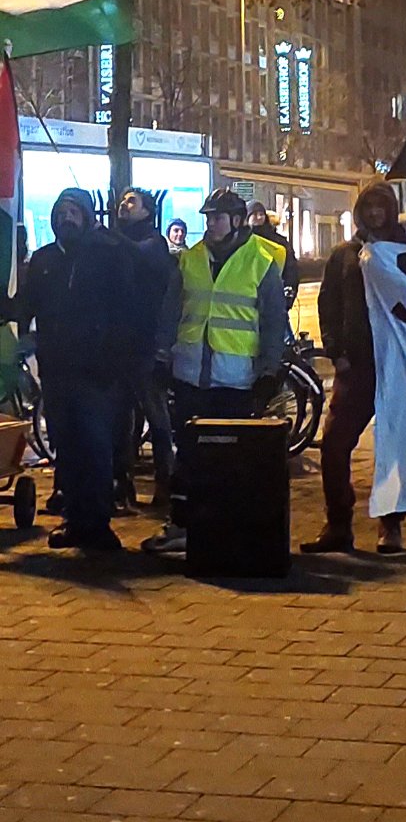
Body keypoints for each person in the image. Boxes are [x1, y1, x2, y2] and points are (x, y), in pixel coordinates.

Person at [144, 189, 287, 552]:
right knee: (187, 456)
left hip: (236, 381)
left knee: (229, 461)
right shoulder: (190, 259)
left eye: (217, 217)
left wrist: (269, 372)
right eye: (207, 217)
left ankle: (223, 529)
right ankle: (181, 525)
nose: (210, 224)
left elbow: (273, 322)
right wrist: (162, 357)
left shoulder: (261, 261)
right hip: (190, 376)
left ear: (237, 221)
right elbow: (171, 312)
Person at [302, 182, 406, 557]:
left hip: (397, 364)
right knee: (334, 444)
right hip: (357, 364)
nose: (374, 213)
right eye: (368, 207)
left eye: (380, 206)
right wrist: (336, 351)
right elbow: (329, 304)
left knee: (395, 445)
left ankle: (391, 524)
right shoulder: (345, 255)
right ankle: (338, 523)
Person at [20, 188, 135, 551]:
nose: (66, 218)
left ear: (86, 217)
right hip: (56, 371)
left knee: (96, 448)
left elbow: (126, 311)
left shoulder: (107, 255)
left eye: (73, 212)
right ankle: (74, 518)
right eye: (61, 212)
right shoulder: (44, 260)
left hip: (95, 372)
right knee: (66, 448)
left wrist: (114, 360)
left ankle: (97, 524)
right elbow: (26, 306)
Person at [113, 187, 178, 510]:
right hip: (120, 344)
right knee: (121, 418)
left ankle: (165, 480)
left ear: (147, 211)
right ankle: (122, 483)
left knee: (156, 416)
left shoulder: (154, 242)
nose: (124, 205)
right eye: (123, 200)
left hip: (146, 345)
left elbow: (142, 256)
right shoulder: (118, 244)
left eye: (132, 201)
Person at [247, 201, 299, 309]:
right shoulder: (242, 241)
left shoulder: (280, 243)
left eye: (261, 214)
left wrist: (287, 300)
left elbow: (291, 271)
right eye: (254, 214)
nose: (259, 217)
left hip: (275, 301)